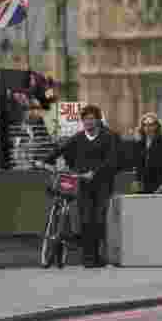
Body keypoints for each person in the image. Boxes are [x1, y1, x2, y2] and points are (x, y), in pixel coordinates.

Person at [40, 104, 117, 268]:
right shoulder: (78, 138)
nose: (88, 122)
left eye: (92, 119)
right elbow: (61, 149)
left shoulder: (107, 137)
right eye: (85, 119)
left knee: (98, 219)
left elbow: (111, 160)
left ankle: (96, 256)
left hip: (102, 184)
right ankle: (88, 258)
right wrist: (45, 161)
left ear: (97, 120)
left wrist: (94, 172)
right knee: (86, 219)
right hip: (83, 184)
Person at [133, 112, 162, 193]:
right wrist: (136, 182)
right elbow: (137, 164)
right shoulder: (139, 143)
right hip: (141, 183)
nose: (147, 127)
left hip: (157, 184)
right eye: (145, 125)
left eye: (150, 124)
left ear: (156, 126)